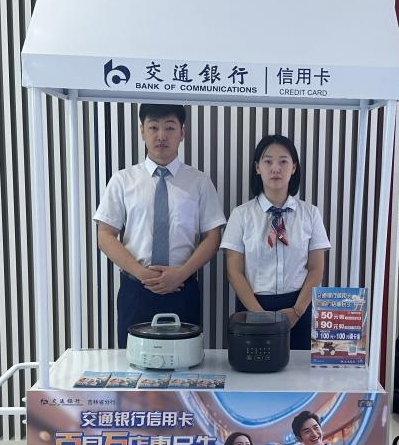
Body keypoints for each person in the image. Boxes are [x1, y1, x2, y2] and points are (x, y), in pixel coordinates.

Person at [94, 103, 227, 347]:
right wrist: (140, 273)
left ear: (182, 133)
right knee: (133, 362)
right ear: (142, 131)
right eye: (153, 127)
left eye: (170, 127)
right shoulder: (123, 180)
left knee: (184, 362)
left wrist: (181, 274)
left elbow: (213, 236)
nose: (161, 136)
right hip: (136, 289)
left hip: (182, 289)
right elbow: (105, 234)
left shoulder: (199, 182)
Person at [221, 134, 330, 350]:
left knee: (299, 370)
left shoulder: (310, 214)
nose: (275, 169)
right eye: (268, 161)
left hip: (299, 308)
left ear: (294, 167)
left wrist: (297, 311)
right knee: (254, 367)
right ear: (257, 168)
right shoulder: (241, 215)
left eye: (283, 162)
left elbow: (316, 269)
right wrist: (260, 315)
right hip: (252, 309)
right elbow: (234, 272)